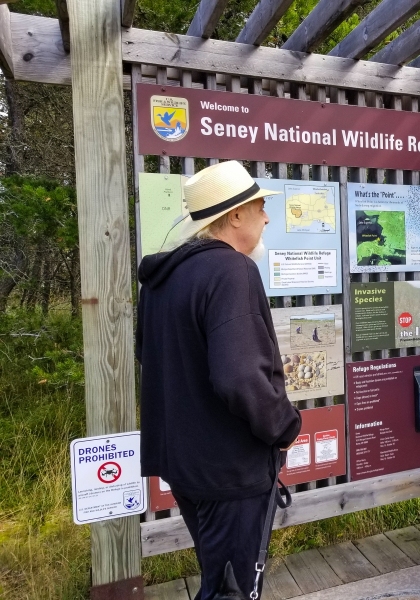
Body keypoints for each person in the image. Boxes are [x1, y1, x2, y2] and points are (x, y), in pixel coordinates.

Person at [136, 160, 302, 600]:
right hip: (229, 471)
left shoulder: (161, 281)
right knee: (232, 591)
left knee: (217, 579)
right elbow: (240, 376)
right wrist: (285, 427)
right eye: (261, 206)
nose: (267, 217)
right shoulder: (232, 271)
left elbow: (148, 358)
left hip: (186, 467)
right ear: (234, 215)